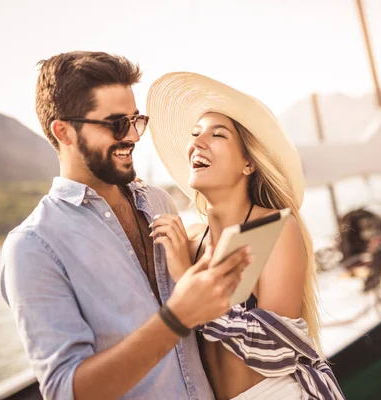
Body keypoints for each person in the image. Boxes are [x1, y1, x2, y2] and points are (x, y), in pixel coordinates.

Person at [0, 52, 252, 400]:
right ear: (64, 131)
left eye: (136, 120)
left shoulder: (158, 202)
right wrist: (176, 318)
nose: (132, 136)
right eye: (117, 123)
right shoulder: (33, 247)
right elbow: (65, 391)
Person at [146, 72, 345, 399]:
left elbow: (277, 353)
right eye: (195, 134)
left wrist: (186, 283)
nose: (197, 141)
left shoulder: (273, 229)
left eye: (217, 134)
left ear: (248, 162)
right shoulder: (190, 243)